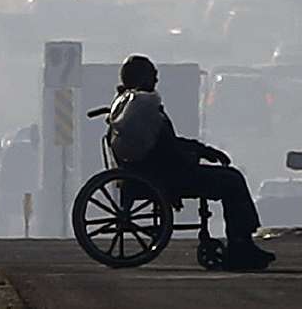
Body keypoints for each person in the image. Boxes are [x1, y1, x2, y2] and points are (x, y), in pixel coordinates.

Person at [116, 54, 275, 271]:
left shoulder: (129, 105)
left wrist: (201, 150)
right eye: (153, 76)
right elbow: (165, 147)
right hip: (167, 174)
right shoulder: (143, 106)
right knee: (232, 181)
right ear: (142, 77)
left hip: (157, 169)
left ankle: (242, 242)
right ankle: (240, 244)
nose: (156, 81)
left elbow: (163, 143)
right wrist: (197, 154)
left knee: (231, 178)